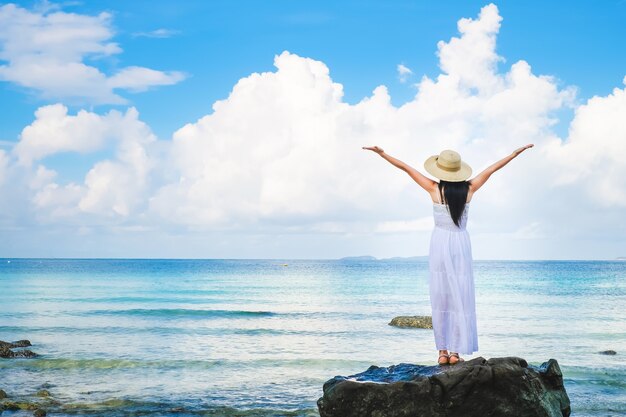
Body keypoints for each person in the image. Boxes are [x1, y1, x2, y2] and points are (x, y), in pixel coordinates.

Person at [362, 144, 534, 365]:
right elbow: (492, 169)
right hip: (460, 243)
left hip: (440, 243)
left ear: (440, 171)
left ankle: (442, 352)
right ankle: (455, 351)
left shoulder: (434, 188)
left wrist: (382, 154)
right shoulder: (469, 189)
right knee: (459, 297)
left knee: (441, 296)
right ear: (459, 171)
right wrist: (514, 153)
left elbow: (405, 167)